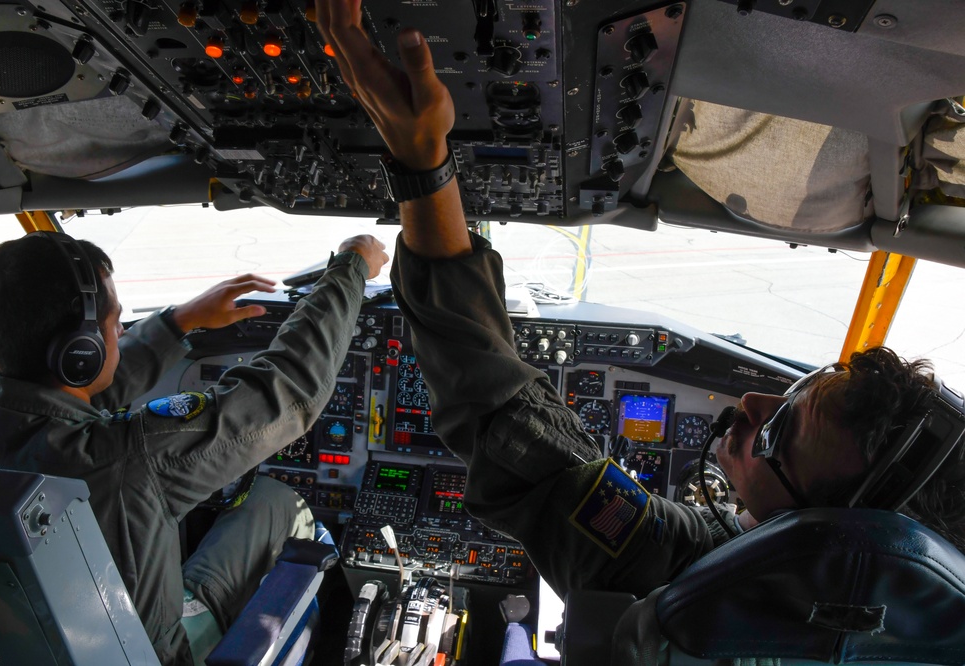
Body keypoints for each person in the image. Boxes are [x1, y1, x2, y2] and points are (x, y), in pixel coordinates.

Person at [315, 0, 965, 608]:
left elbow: (499, 414)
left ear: (817, 534)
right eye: (798, 389)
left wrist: (422, 155)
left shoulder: (678, 578)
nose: (751, 402)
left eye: (779, 433)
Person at [0, 230, 388, 665]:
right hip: (152, 653)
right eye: (116, 323)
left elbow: (66, 400)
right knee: (276, 502)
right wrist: (352, 265)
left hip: (25, 641)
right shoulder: (130, 458)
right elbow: (290, 391)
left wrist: (177, 323)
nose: (123, 329)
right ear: (81, 354)